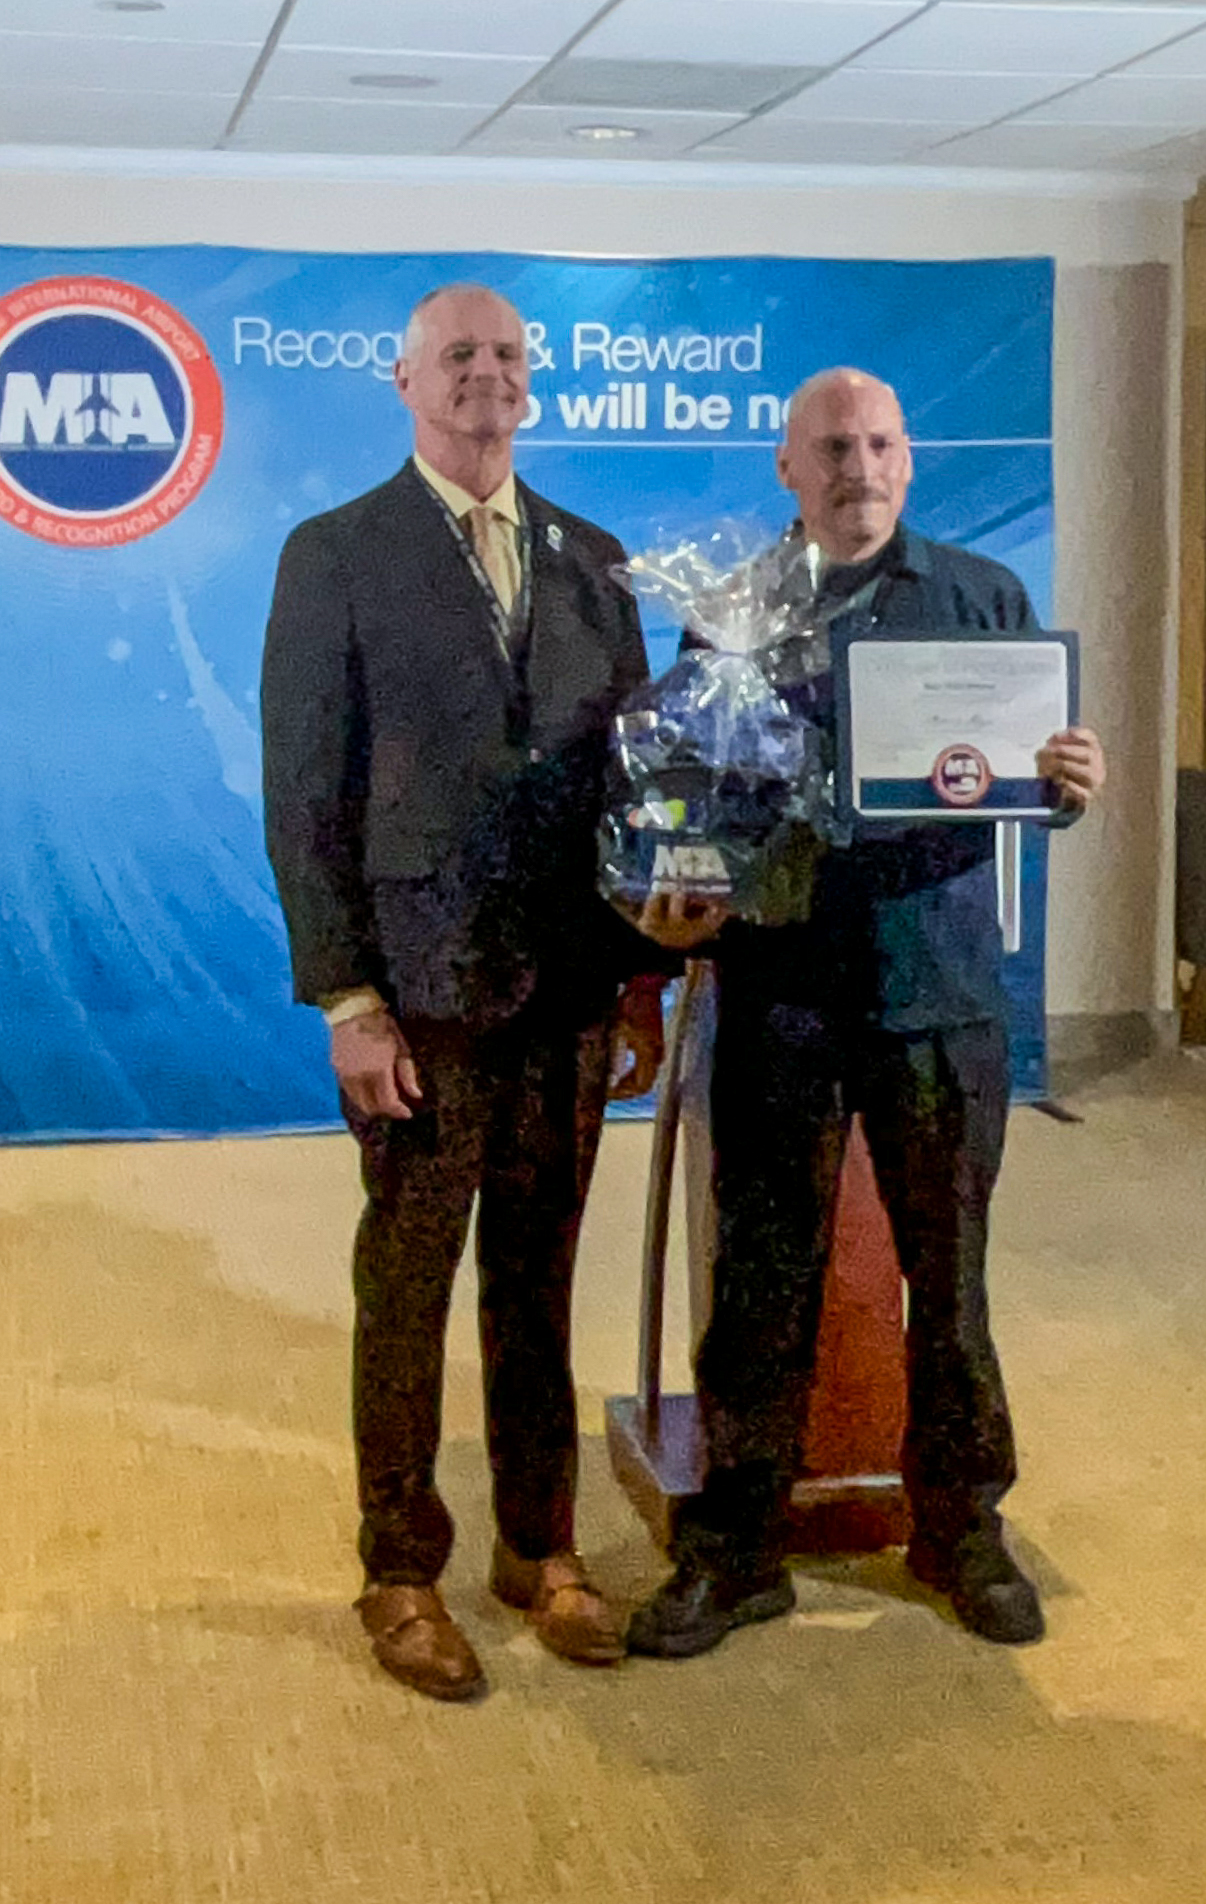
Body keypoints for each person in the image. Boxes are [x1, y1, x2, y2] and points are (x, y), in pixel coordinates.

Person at [628, 368, 1106, 1658]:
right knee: (763, 1280)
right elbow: (688, 788)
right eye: (832, 446)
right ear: (789, 467)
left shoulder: (982, 599)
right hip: (780, 988)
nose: (859, 465)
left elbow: (1021, 780)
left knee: (947, 1280)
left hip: (940, 992)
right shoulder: (731, 611)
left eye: (882, 443)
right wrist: (676, 876)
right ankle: (737, 1549)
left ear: (912, 461)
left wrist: (1067, 783)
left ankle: (960, 1528)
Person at [261, 283, 665, 1702]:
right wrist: (346, 999)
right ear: (405, 379)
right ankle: (398, 1564)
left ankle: (538, 1546)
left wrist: (638, 986)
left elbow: (632, 798)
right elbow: (305, 796)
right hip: (417, 998)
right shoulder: (335, 555)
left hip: (565, 993)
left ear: (530, 383)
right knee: (408, 1284)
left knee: (538, 1285)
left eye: (505, 355)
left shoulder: (594, 560)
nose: (483, 374)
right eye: (457, 355)